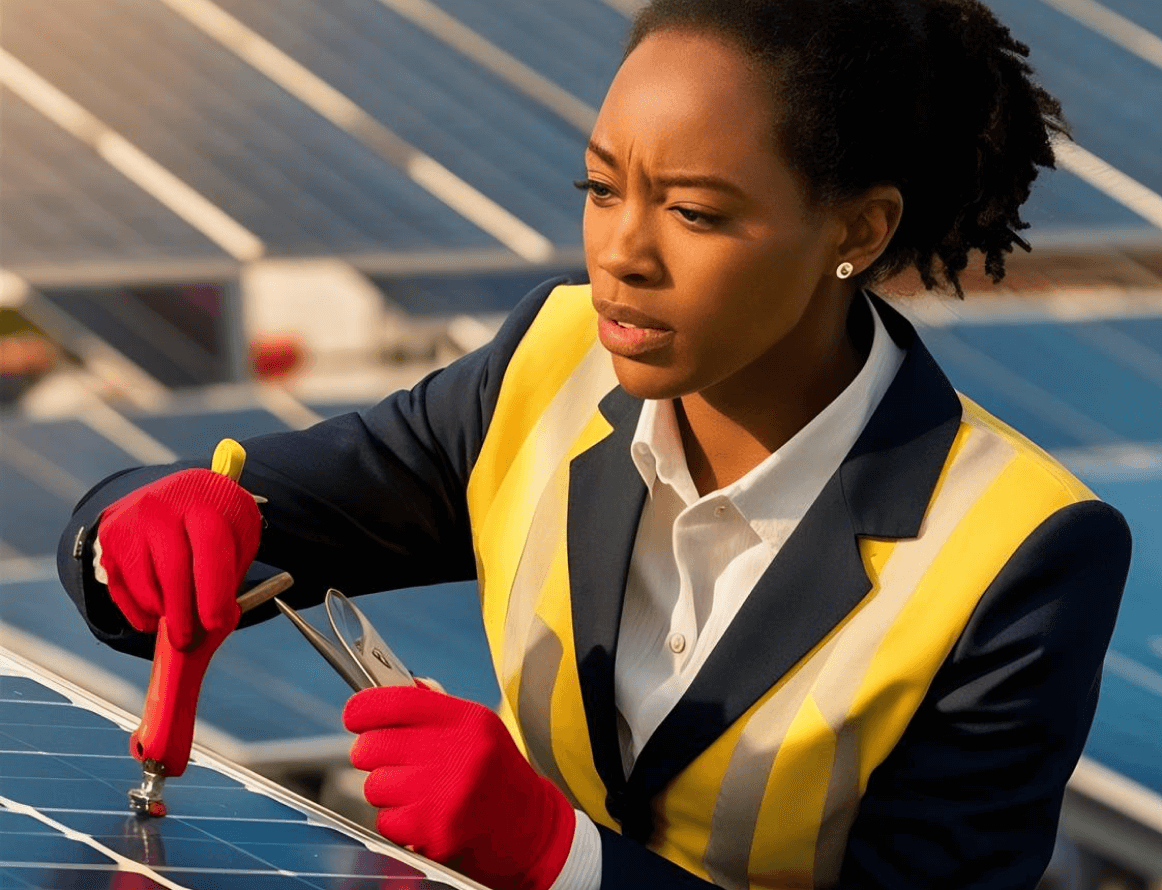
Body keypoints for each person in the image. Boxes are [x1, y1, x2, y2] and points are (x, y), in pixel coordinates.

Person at [59, 0, 1132, 887]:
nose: (621, 251)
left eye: (697, 213)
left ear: (855, 230)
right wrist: (134, 531)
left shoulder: (1018, 552)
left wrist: (560, 855)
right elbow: (248, 515)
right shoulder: (550, 360)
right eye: (601, 187)